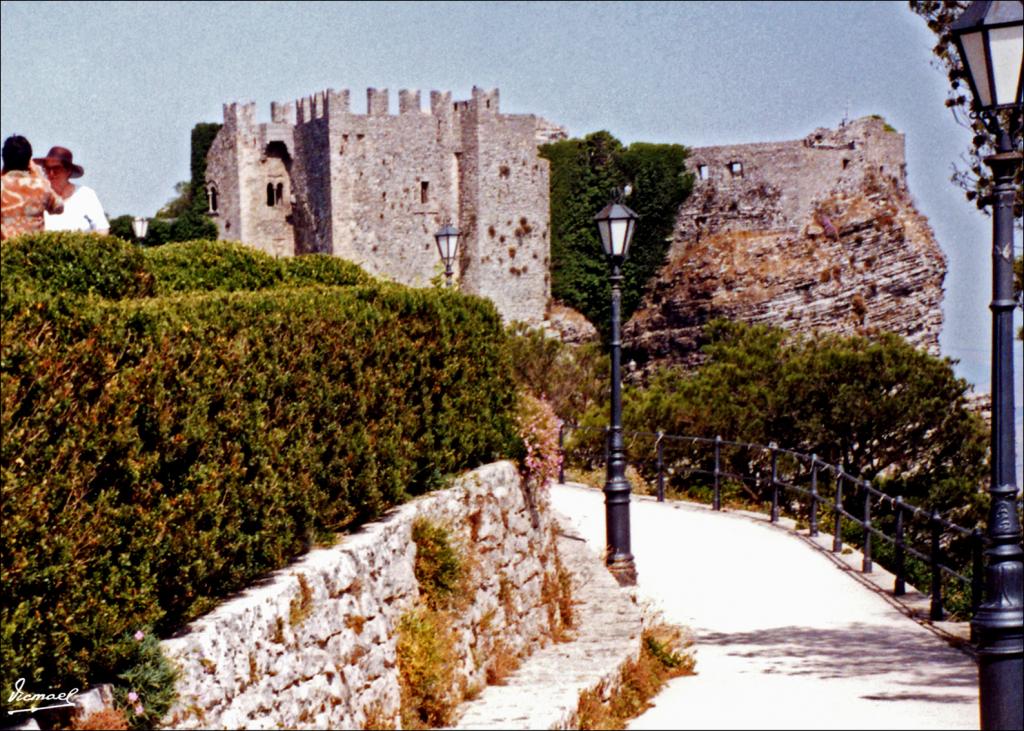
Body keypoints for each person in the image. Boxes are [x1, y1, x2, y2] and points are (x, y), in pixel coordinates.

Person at [1, 135, 64, 241]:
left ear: (4, 159)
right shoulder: (41, 186)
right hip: (34, 248)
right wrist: (38, 175)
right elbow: (59, 207)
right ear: (29, 161)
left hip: (5, 249)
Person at [34, 146, 109, 235]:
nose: (51, 173)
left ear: (68, 171)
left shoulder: (86, 194)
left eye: (56, 169)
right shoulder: (38, 196)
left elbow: (102, 229)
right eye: (47, 169)